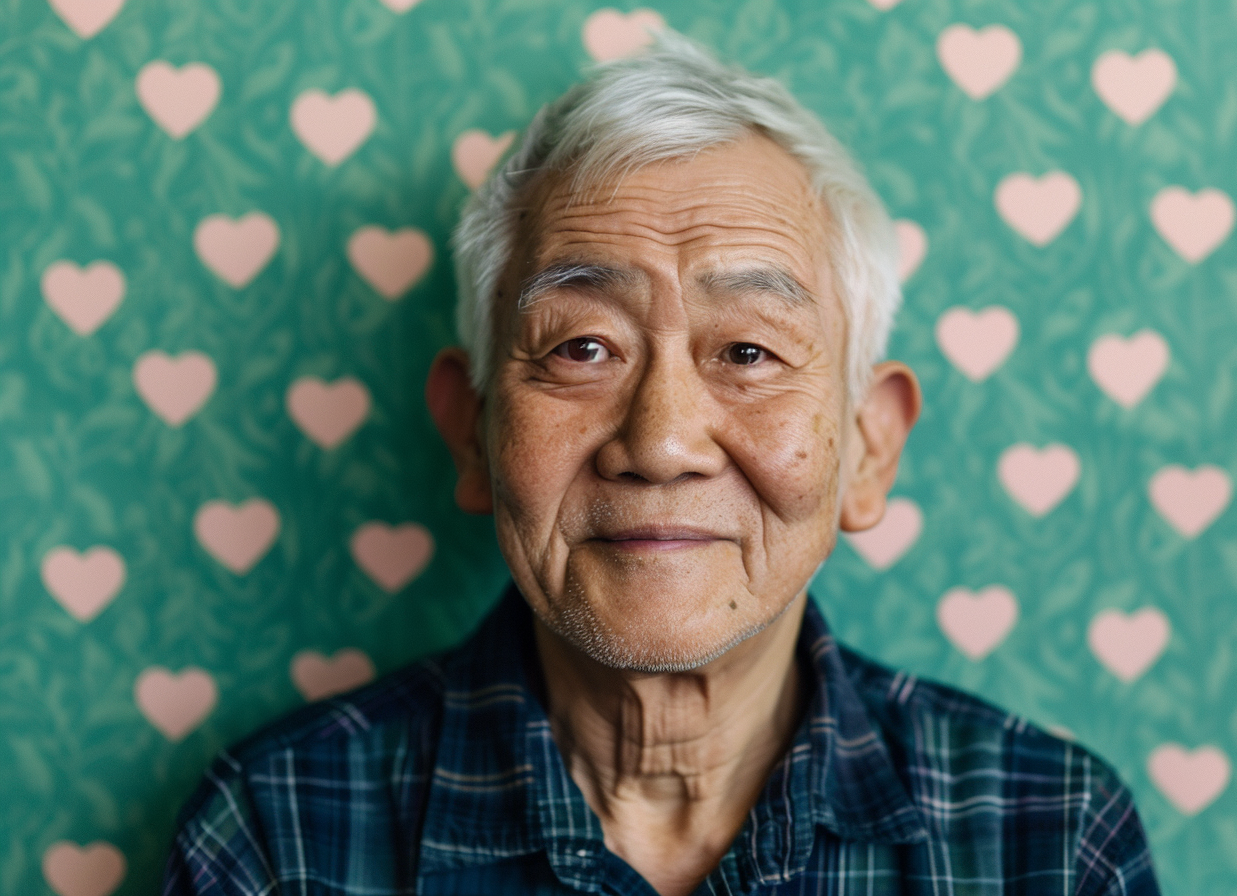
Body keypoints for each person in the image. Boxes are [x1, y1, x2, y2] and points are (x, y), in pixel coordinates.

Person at [163, 34, 1159, 896]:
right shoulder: (278, 835)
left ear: (868, 444)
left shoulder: (1047, 838)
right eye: (582, 347)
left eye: (749, 352)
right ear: (471, 428)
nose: (663, 441)